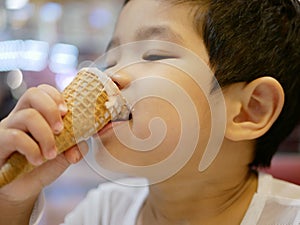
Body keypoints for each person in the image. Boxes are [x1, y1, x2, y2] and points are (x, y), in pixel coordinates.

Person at [0, 0, 299, 224]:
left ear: (250, 110)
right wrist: (12, 200)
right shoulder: (104, 211)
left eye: (154, 54)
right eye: (112, 58)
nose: (111, 75)